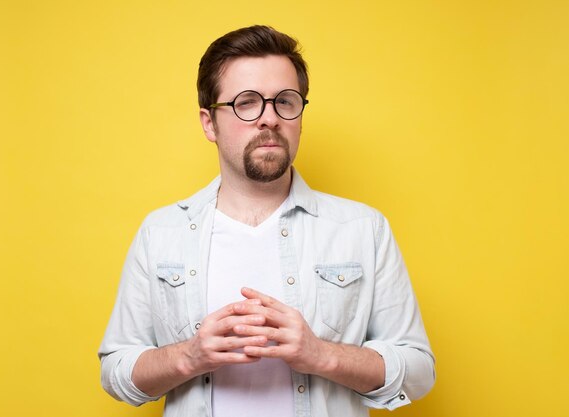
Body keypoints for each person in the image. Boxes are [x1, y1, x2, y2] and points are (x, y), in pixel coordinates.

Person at [98, 25, 435, 417]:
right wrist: (190, 356)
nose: (269, 119)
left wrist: (320, 354)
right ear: (209, 122)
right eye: (247, 102)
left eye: (285, 101)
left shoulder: (363, 229)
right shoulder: (161, 234)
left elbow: (419, 372)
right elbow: (115, 370)